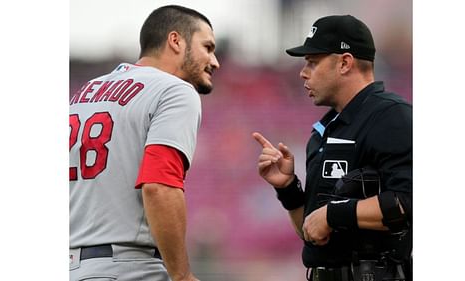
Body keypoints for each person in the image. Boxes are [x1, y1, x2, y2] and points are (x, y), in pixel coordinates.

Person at [253, 15, 412, 281]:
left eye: (313, 62)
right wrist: (288, 188)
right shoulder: (325, 130)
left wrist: (333, 213)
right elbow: (313, 232)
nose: (303, 72)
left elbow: (409, 202)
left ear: (345, 63)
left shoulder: (391, 116)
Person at [69, 5, 220, 281]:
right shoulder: (175, 90)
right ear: (176, 41)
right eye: (207, 47)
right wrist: (182, 275)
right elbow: (159, 186)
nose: (214, 61)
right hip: (128, 267)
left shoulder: (83, 93)